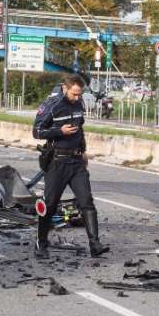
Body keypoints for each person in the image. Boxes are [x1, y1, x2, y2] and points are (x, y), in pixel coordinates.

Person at [32, 74, 109, 258]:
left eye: (79, 94)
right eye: (74, 94)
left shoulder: (78, 102)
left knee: (86, 202)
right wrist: (60, 131)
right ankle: (41, 243)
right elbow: (37, 132)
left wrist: (83, 151)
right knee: (49, 205)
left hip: (76, 163)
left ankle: (95, 244)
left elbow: (80, 128)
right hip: (57, 162)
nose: (77, 98)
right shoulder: (52, 104)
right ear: (65, 89)